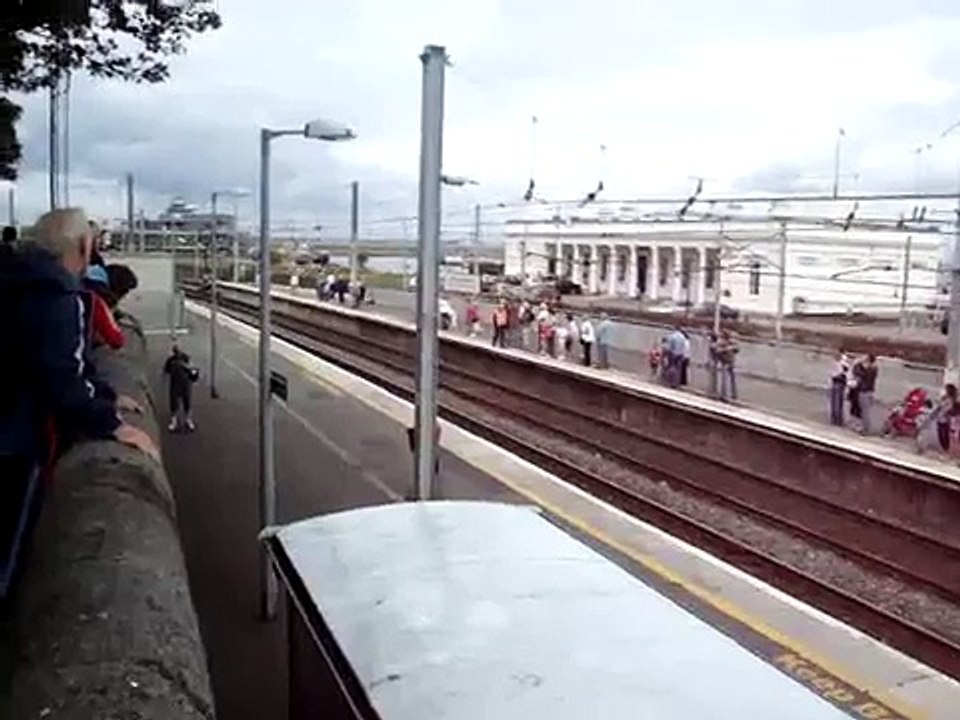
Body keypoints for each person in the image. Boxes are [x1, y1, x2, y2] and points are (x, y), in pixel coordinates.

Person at [0, 208, 156, 598]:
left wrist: (104, 393)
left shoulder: (14, 278)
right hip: (11, 442)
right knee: (8, 549)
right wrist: (112, 423)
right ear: (83, 247)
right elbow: (63, 377)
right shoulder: (60, 295)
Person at [163, 344, 198, 432]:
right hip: (175, 383)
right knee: (174, 403)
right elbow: (166, 371)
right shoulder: (170, 360)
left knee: (187, 402)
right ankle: (174, 422)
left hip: (186, 383)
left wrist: (192, 373)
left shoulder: (186, 358)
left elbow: (192, 369)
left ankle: (188, 420)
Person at [851, 354, 879, 435]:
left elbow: (860, 373)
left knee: (865, 412)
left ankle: (866, 429)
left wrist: (857, 364)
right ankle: (865, 428)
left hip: (864, 391)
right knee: (865, 411)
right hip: (868, 391)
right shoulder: (873, 369)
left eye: (865, 357)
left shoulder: (870, 369)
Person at [828, 349, 850, 426]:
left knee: (837, 402)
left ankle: (837, 419)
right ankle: (835, 419)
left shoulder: (843, 362)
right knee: (835, 402)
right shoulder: (836, 362)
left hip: (838, 382)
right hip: (836, 382)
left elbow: (844, 372)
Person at [717, 330, 739, 401]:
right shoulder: (731, 343)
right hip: (730, 362)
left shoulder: (723, 343)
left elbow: (718, 351)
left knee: (725, 380)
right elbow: (737, 350)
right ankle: (733, 395)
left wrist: (725, 349)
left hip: (726, 362)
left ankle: (725, 395)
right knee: (732, 379)